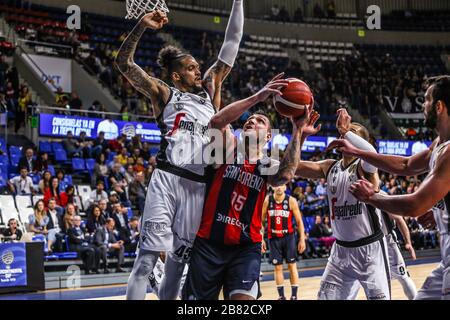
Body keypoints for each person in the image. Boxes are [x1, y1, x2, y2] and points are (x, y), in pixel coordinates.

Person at [118, 1, 245, 300]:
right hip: (167, 179)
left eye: (198, 67)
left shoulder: (210, 90)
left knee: (177, 263)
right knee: (147, 258)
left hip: (199, 186)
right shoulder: (164, 92)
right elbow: (124, 65)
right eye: (191, 68)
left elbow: (232, 43)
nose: (198, 71)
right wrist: (141, 27)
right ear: (176, 76)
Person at [330, 75, 450, 300]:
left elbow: (414, 205)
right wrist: (357, 151)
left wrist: (372, 197)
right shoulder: (439, 144)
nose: (422, 106)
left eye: (425, 100)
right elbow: (406, 165)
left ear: (439, 106)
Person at [183, 97, 314, 300]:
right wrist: (258, 96)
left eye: (260, 120)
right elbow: (216, 122)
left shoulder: (267, 163)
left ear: (269, 136)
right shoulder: (228, 147)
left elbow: (286, 175)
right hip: (209, 243)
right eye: (249, 119)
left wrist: (297, 131)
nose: (251, 121)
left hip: (245, 248)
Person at [295, 108, 391, 300]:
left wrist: (346, 131)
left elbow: (371, 152)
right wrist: (300, 135)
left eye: (352, 132)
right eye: (344, 132)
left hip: (370, 251)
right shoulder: (329, 166)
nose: (344, 133)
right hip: (340, 252)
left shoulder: (366, 167)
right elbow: (293, 166)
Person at [261, 184, 306, 300]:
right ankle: (281, 296)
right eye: (277, 185)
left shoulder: (291, 201)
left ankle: (294, 296)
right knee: (277, 267)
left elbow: (299, 222)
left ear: (285, 187)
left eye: (281, 185)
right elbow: (261, 222)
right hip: (273, 238)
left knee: (292, 266)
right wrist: (261, 239)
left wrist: (302, 239)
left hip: (288, 237)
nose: (279, 187)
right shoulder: (267, 200)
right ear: (272, 187)